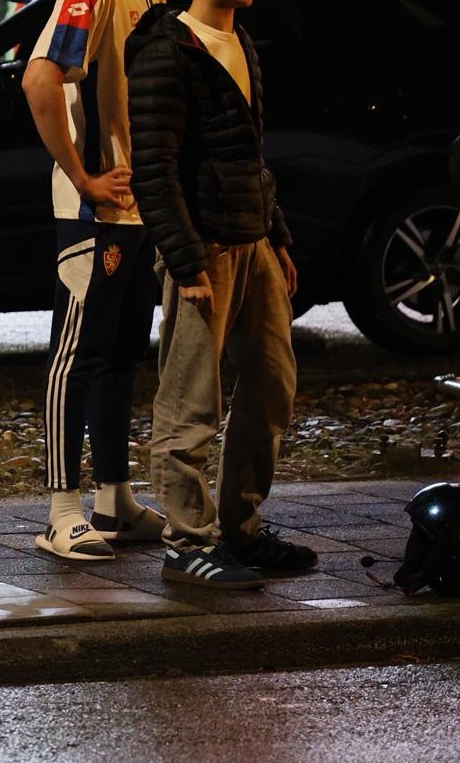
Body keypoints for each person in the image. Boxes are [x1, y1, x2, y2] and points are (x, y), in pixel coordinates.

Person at [126, 0, 318, 589]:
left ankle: (240, 528)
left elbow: (249, 157)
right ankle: (187, 542)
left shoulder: (242, 42)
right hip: (203, 246)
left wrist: (276, 235)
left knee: (273, 383)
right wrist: (185, 263)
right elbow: (153, 169)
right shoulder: (167, 49)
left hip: (250, 239)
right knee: (191, 398)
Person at [22, 0, 167, 562]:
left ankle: (115, 500)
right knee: (76, 357)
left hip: (135, 209)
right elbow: (40, 79)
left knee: (121, 355)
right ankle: (62, 511)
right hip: (95, 214)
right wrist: (83, 179)